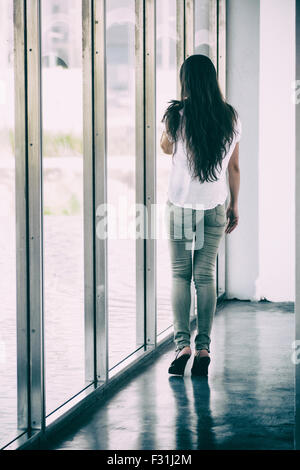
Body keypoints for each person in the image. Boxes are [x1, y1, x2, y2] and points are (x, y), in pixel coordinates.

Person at [160, 54, 241, 377]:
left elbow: (166, 149)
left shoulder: (177, 115)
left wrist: (174, 120)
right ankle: (204, 347)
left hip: (180, 203)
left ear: (186, 82)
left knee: (180, 274)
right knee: (204, 276)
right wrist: (235, 204)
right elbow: (234, 166)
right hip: (215, 203)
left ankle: (183, 345)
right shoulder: (230, 117)